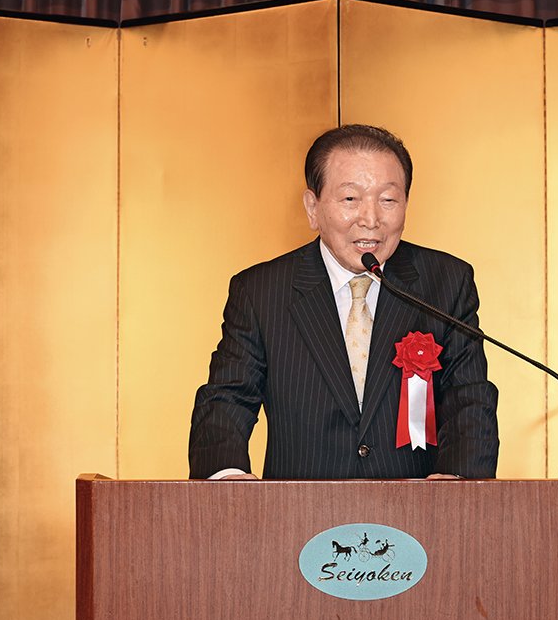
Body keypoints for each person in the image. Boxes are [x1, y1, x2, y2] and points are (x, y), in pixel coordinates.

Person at [188, 124, 498, 480]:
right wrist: (226, 479)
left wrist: (460, 483)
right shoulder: (261, 291)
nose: (371, 219)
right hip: (298, 509)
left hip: (417, 510)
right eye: (350, 199)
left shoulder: (446, 282)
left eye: (388, 199)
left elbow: (469, 398)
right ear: (313, 208)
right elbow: (226, 400)